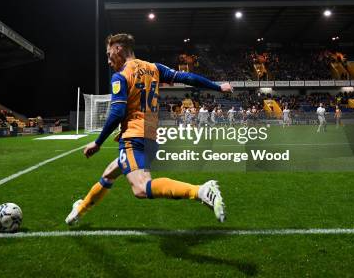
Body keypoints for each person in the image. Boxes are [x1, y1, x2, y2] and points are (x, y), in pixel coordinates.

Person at [65, 33, 232, 226]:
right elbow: (188, 77)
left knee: (141, 188)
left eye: (109, 54)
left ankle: (200, 191)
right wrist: (217, 87)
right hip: (150, 139)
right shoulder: (154, 68)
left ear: (119, 48)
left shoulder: (120, 76)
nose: (109, 60)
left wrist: (98, 142)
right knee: (109, 173)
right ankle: (80, 208)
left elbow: (117, 112)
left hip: (134, 138)